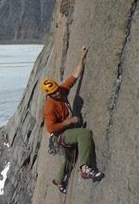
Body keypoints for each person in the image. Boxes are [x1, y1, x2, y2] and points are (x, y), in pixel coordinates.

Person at [40, 46, 102, 194]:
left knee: (68, 160)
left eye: (56, 89)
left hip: (64, 134)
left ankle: (59, 181)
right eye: (53, 93)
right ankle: (85, 168)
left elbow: (75, 75)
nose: (57, 93)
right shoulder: (50, 107)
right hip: (59, 135)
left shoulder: (61, 91)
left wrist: (82, 57)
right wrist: (69, 121)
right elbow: (51, 129)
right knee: (84, 134)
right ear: (48, 95)